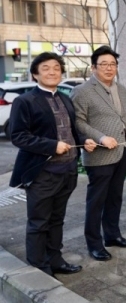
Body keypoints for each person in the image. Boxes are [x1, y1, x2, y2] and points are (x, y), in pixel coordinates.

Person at [9, 52, 82, 277]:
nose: (52, 72)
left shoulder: (65, 97)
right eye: (46, 68)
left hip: (68, 170)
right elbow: (18, 135)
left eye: (56, 68)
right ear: (35, 74)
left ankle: (55, 259)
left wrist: (83, 142)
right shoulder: (25, 101)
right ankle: (39, 266)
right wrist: (51, 146)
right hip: (42, 173)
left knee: (57, 220)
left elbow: (70, 130)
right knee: (39, 222)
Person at [72, 46, 126, 261]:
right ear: (94, 67)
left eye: (112, 64)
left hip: (122, 150)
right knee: (96, 201)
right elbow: (78, 121)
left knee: (115, 197)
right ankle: (94, 243)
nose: (109, 68)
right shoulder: (83, 91)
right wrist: (101, 137)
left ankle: (112, 235)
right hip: (100, 154)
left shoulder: (121, 89)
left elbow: (124, 119)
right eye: (103, 64)